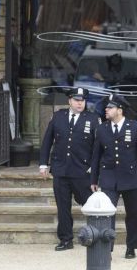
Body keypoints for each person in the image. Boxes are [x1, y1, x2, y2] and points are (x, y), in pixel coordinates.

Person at [90, 94, 137, 259]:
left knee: (133, 215)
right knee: (107, 215)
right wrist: (94, 180)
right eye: (106, 108)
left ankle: (131, 247)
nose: (106, 110)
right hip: (109, 177)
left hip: (132, 178)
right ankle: (107, 248)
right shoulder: (102, 129)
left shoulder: (135, 128)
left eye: (109, 108)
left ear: (119, 110)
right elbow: (96, 156)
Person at [39, 87, 100, 251]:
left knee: (90, 204)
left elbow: (97, 148)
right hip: (60, 169)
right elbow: (47, 141)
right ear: (70, 101)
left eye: (83, 101)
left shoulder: (93, 119)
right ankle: (66, 239)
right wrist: (43, 164)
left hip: (82, 171)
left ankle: (95, 235)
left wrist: (94, 170)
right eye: (77, 100)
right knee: (63, 207)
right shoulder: (59, 116)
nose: (80, 103)